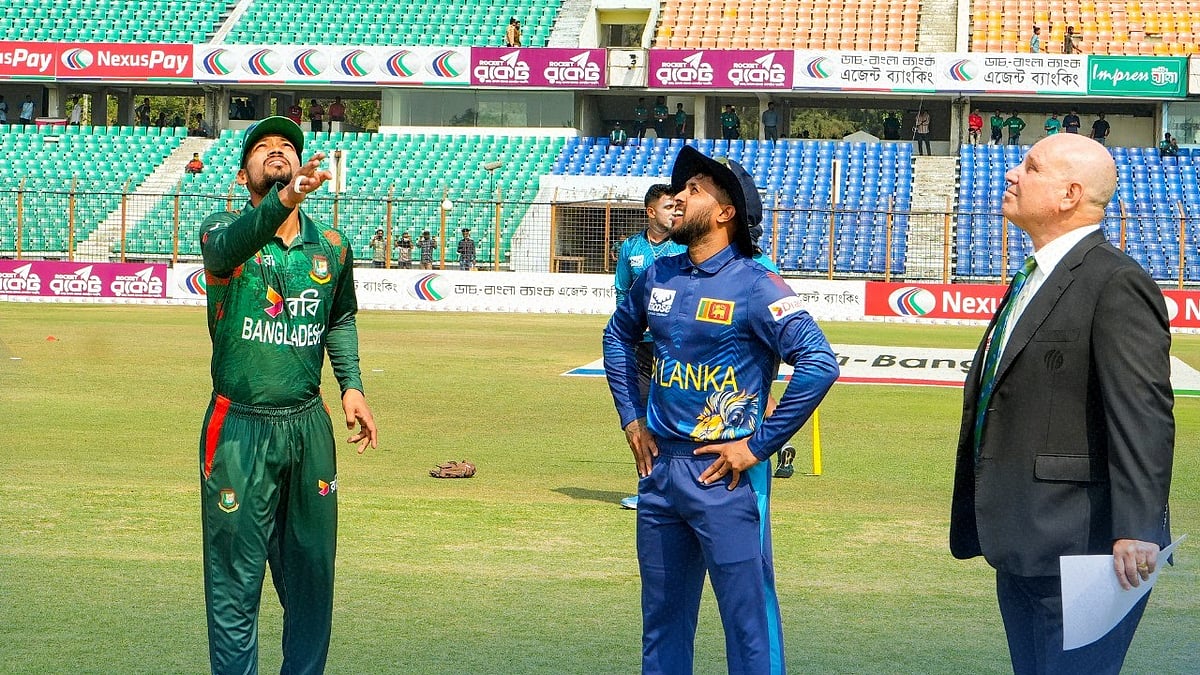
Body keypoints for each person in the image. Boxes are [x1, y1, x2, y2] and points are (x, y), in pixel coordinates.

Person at [603, 145, 839, 674]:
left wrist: (756, 446)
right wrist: (631, 417)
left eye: (693, 189)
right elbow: (617, 336)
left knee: (748, 622)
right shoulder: (658, 275)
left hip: (727, 478)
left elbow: (819, 362)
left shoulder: (757, 284)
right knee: (662, 619)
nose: (678, 197)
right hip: (661, 472)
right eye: (679, 188)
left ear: (726, 212)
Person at [950, 132, 1173, 675]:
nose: (1012, 173)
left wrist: (1138, 527)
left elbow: (1142, 413)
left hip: (1089, 548)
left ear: (1070, 194)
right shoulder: (1035, 275)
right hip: (1025, 539)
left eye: (1030, 167)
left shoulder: (1114, 281)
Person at [198, 115, 378, 674]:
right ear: (242, 171)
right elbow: (228, 247)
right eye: (262, 147)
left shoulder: (332, 245)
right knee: (234, 585)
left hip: (307, 427)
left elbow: (340, 316)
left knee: (312, 580)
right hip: (239, 430)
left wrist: (352, 387)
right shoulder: (222, 234)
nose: (276, 152)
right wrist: (284, 202)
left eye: (287, 147)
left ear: (300, 166)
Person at [612, 184, 689, 510]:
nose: (675, 212)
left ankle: (682, 488)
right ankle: (648, 488)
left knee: (675, 418)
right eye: (669, 207)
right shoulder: (631, 248)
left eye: (677, 207)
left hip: (674, 348)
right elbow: (622, 291)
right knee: (642, 419)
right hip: (641, 348)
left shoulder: (682, 248)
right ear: (650, 211)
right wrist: (629, 325)